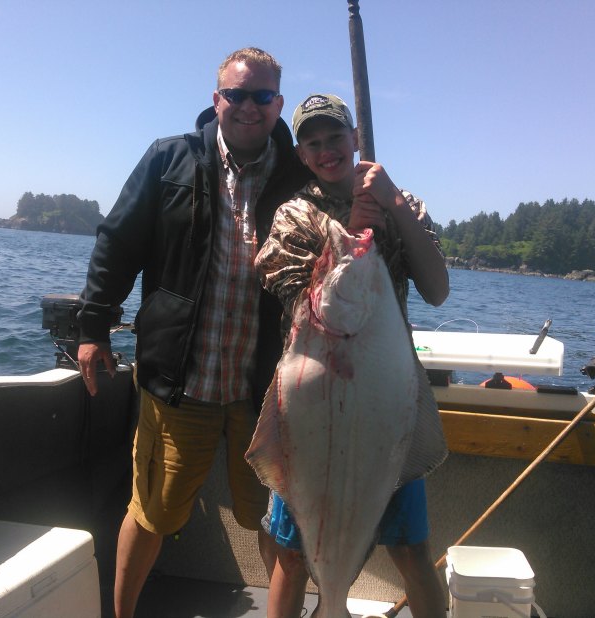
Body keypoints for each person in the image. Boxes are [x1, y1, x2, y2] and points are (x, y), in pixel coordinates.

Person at [76, 48, 312, 618]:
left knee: (280, 524)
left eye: (261, 97)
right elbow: (117, 242)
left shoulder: (301, 176)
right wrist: (93, 326)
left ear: (278, 104)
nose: (248, 107)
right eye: (236, 94)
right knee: (152, 510)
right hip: (184, 381)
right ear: (216, 100)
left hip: (269, 394)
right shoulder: (168, 159)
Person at [254, 94, 450, 617]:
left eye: (335, 137)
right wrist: (348, 240)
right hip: (314, 412)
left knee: (412, 552)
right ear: (301, 154)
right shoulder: (294, 214)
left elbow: (436, 289)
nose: (326, 150)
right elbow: (298, 298)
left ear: (355, 138)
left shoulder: (401, 200)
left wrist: (394, 207)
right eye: (313, 143)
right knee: (293, 559)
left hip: (385, 409)